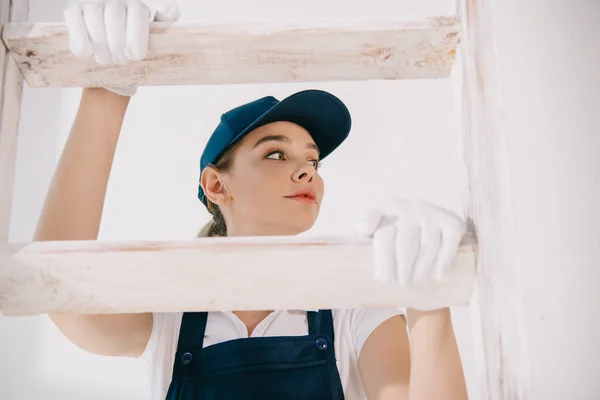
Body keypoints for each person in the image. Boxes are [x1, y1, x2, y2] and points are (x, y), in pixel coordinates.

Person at [36, 1, 468, 399]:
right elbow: (60, 293)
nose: (306, 172)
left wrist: (430, 304)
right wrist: (105, 92)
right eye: (276, 153)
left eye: (313, 161)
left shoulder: (355, 308)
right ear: (217, 186)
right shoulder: (172, 315)